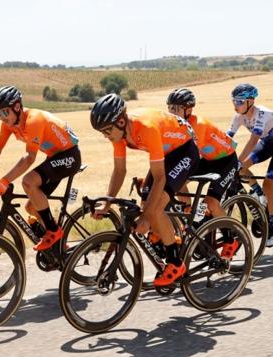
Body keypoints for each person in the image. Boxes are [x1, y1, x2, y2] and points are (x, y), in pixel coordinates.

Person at [90, 94, 199, 286]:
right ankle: (170, 238)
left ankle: (175, 263)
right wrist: (107, 203)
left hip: (185, 150)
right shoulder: (119, 134)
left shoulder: (146, 129)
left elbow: (160, 177)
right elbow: (119, 170)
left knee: (154, 209)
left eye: (107, 130)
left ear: (121, 121)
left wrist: (147, 218)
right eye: (102, 132)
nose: (106, 136)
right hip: (168, 151)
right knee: (145, 202)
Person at [0, 85, 81, 251]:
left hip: (69, 156)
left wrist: (5, 181)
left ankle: (53, 231)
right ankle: (60, 247)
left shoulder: (34, 120)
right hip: (54, 157)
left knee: (29, 181)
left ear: (17, 107)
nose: (2, 117)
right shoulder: (9, 124)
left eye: (5, 112)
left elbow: (30, 158)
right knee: (31, 207)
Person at [166, 88, 240, 258]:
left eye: (176, 108)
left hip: (226, 161)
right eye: (170, 107)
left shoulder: (197, 125)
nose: (172, 112)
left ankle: (230, 239)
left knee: (212, 203)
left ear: (188, 110)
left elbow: (190, 157)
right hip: (208, 160)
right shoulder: (177, 124)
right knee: (178, 180)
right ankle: (189, 215)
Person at [225, 83, 273, 246]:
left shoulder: (262, 114)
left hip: (266, 140)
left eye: (239, 102)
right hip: (268, 141)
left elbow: (253, 140)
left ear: (250, 101)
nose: (235, 106)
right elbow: (227, 140)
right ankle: (259, 196)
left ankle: (272, 224)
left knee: (269, 183)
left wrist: (238, 162)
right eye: (234, 101)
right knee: (241, 169)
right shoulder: (239, 117)